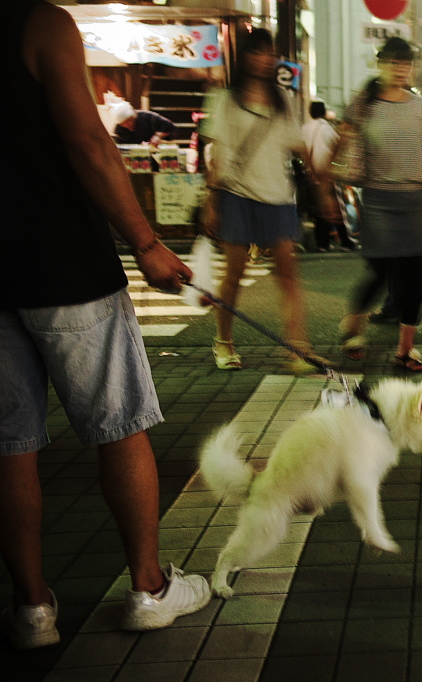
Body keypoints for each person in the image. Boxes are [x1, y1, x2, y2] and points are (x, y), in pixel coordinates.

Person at [1, 0, 210, 650]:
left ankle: (33, 607)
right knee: (120, 425)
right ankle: (148, 588)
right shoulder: (40, 23)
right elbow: (86, 140)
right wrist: (146, 242)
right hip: (67, 264)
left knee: (10, 443)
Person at [199, 28, 329, 374]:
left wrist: (321, 179)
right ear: (244, 57)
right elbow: (215, 156)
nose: (265, 59)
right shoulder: (224, 98)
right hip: (237, 196)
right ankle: (223, 341)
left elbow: (297, 146)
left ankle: (298, 348)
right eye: (257, 52)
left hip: (278, 196)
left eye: (269, 53)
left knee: (288, 275)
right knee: (234, 274)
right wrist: (211, 201)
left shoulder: (282, 100)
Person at [336, 38, 422, 372]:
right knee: (380, 272)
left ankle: (405, 349)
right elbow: (346, 148)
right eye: (393, 63)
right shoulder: (363, 105)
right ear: (379, 64)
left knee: (413, 278)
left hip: (414, 199)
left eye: (405, 63)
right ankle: (353, 327)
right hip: (378, 198)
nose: (400, 70)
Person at [301, 100, 353, 252]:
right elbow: (337, 145)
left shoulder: (304, 128)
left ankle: (322, 243)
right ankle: (345, 241)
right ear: (323, 112)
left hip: (311, 174)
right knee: (337, 209)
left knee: (318, 210)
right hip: (326, 174)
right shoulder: (326, 128)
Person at [111, 103, 177, 147]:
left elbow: (170, 126)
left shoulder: (147, 117)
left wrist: (158, 136)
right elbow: (117, 146)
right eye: (123, 123)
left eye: (129, 121)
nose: (126, 125)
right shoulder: (118, 129)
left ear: (134, 116)